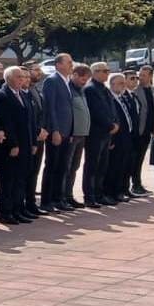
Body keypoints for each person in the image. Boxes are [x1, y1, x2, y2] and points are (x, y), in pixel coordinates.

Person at [0, 67, 36, 224]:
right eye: (18, 77)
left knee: (20, 179)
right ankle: (6, 212)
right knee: (8, 180)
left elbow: (29, 122)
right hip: (11, 146)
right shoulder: (2, 96)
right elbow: (6, 122)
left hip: (25, 143)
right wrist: (13, 144)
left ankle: (19, 209)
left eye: (23, 77)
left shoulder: (23, 95)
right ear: (9, 78)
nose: (22, 79)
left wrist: (33, 143)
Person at [40, 53, 75, 213]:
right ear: (58, 64)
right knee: (52, 166)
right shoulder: (52, 81)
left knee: (62, 167)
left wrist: (71, 130)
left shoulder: (66, 81)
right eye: (68, 62)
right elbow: (51, 107)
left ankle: (58, 198)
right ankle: (47, 200)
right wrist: (54, 130)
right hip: (57, 132)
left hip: (67, 131)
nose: (71, 64)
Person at [81, 62, 118, 208]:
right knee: (92, 165)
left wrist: (115, 123)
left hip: (106, 133)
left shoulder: (105, 89)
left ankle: (99, 193)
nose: (107, 73)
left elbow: (112, 108)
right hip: (95, 133)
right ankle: (89, 196)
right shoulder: (90, 89)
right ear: (95, 72)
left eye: (108, 70)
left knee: (102, 165)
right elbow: (96, 112)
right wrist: (110, 125)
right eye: (104, 71)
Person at [105, 74, 138, 203]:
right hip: (116, 138)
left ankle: (121, 190)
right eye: (120, 83)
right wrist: (111, 139)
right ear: (112, 84)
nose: (123, 86)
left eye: (124, 83)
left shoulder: (122, 98)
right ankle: (111, 192)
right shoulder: (110, 99)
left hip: (126, 137)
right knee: (114, 167)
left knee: (124, 166)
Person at [63, 64, 92, 208]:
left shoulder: (82, 91)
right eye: (81, 77)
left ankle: (69, 195)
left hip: (82, 134)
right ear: (74, 75)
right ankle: (62, 196)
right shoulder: (68, 89)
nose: (84, 81)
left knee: (74, 167)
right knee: (66, 167)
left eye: (86, 78)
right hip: (72, 134)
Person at [23, 61, 49, 216]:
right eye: (35, 70)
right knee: (27, 172)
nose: (39, 73)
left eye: (40, 70)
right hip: (31, 137)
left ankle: (31, 202)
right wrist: (37, 130)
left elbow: (41, 113)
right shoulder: (25, 93)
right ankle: (25, 203)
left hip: (40, 136)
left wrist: (44, 129)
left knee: (34, 172)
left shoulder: (36, 90)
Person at [123, 71, 152, 197]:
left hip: (140, 133)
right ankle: (128, 186)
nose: (135, 80)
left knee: (138, 160)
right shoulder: (123, 96)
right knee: (130, 161)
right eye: (132, 78)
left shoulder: (133, 96)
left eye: (136, 78)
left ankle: (136, 184)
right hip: (130, 136)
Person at [131, 66, 154, 194]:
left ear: (150, 76)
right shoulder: (135, 91)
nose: (141, 78)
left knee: (141, 158)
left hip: (148, 130)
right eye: (140, 75)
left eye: (144, 75)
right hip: (138, 131)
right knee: (134, 159)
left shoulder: (153, 90)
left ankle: (138, 183)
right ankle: (135, 184)